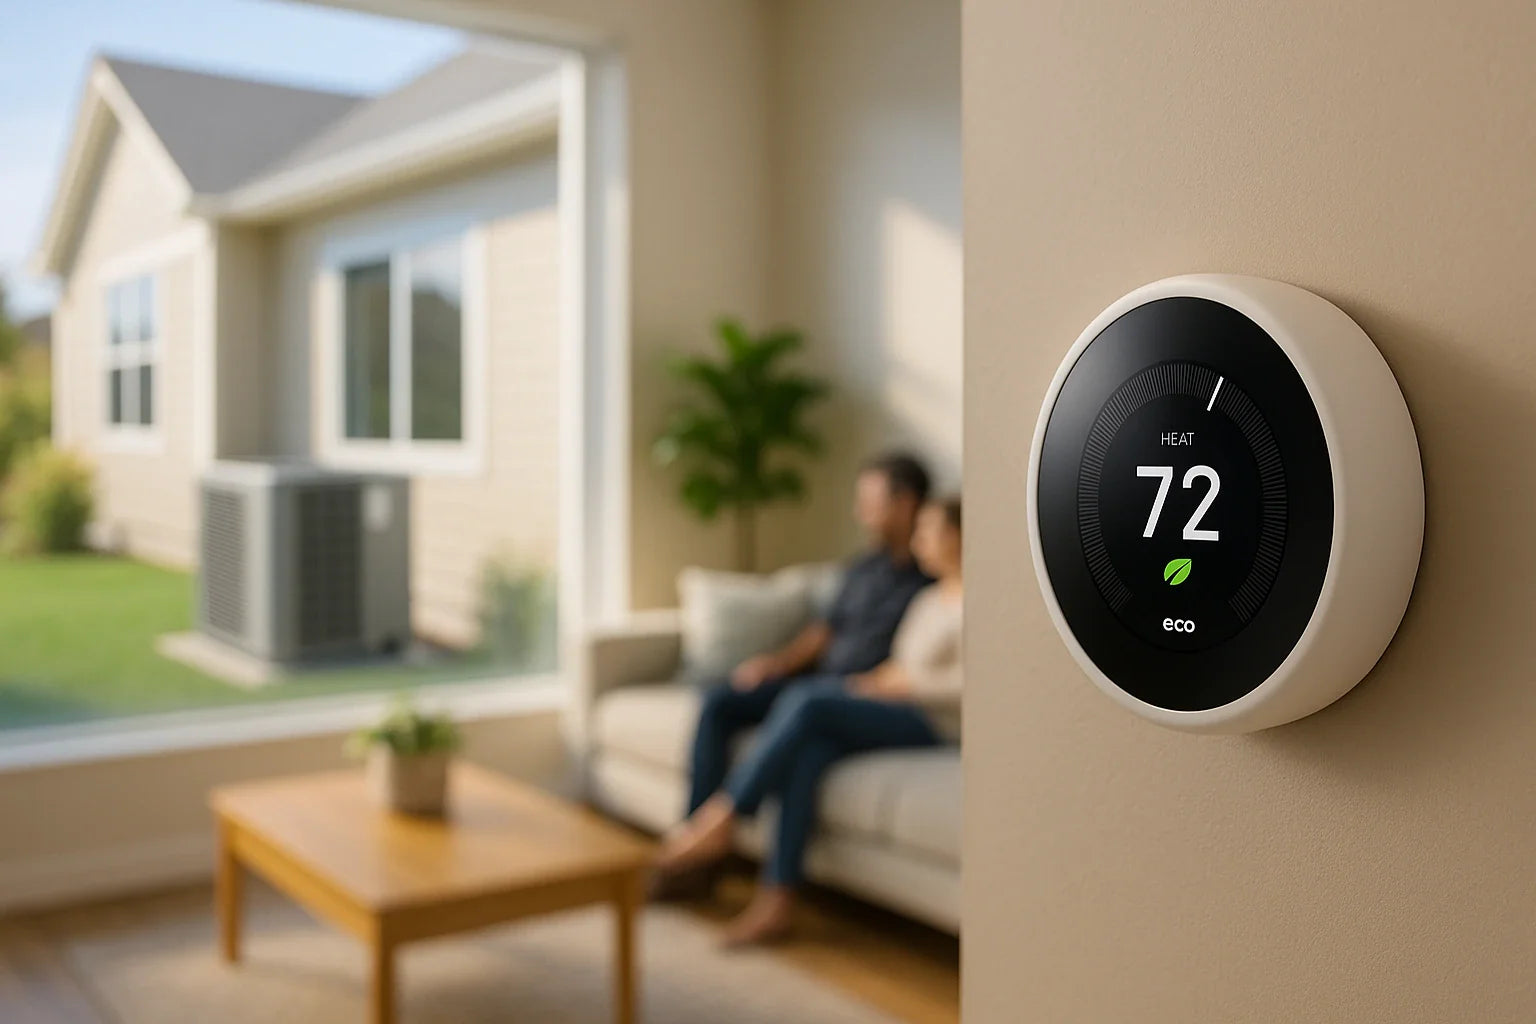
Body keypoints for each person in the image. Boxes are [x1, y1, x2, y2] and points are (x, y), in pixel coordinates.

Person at [655, 495, 964, 946]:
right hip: (893, 703)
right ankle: (777, 900)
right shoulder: (929, 598)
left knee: (808, 700)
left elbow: (973, 688)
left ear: (958, 535)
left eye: (929, 530)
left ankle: (722, 816)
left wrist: (906, 686)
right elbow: (899, 663)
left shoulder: (980, 603)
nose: (920, 540)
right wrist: (877, 681)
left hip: (933, 724)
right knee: (808, 754)